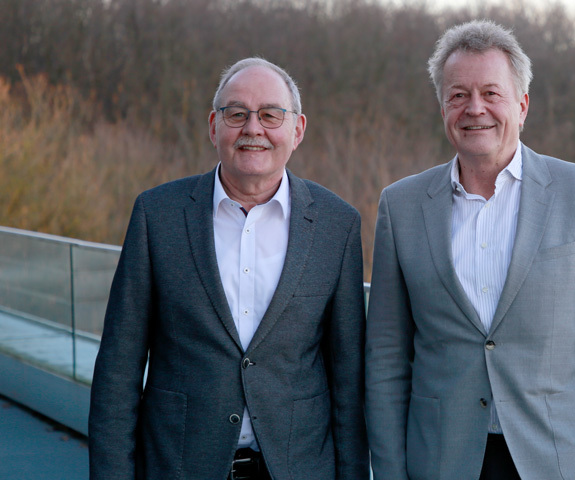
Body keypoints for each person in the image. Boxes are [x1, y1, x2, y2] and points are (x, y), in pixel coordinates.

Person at [365, 20, 575, 480]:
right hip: (440, 462)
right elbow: (386, 361)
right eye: (458, 95)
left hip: (558, 462)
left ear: (522, 105)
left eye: (491, 93)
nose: (474, 108)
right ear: (442, 108)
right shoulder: (401, 206)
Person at [89, 57, 369, 480]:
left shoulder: (337, 225)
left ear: (297, 129)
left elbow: (348, 383)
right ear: (213, 126)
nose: (253, 128)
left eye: (271, 115)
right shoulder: (157, 215)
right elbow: (117, 371)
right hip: (178, 466)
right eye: (236, 114)